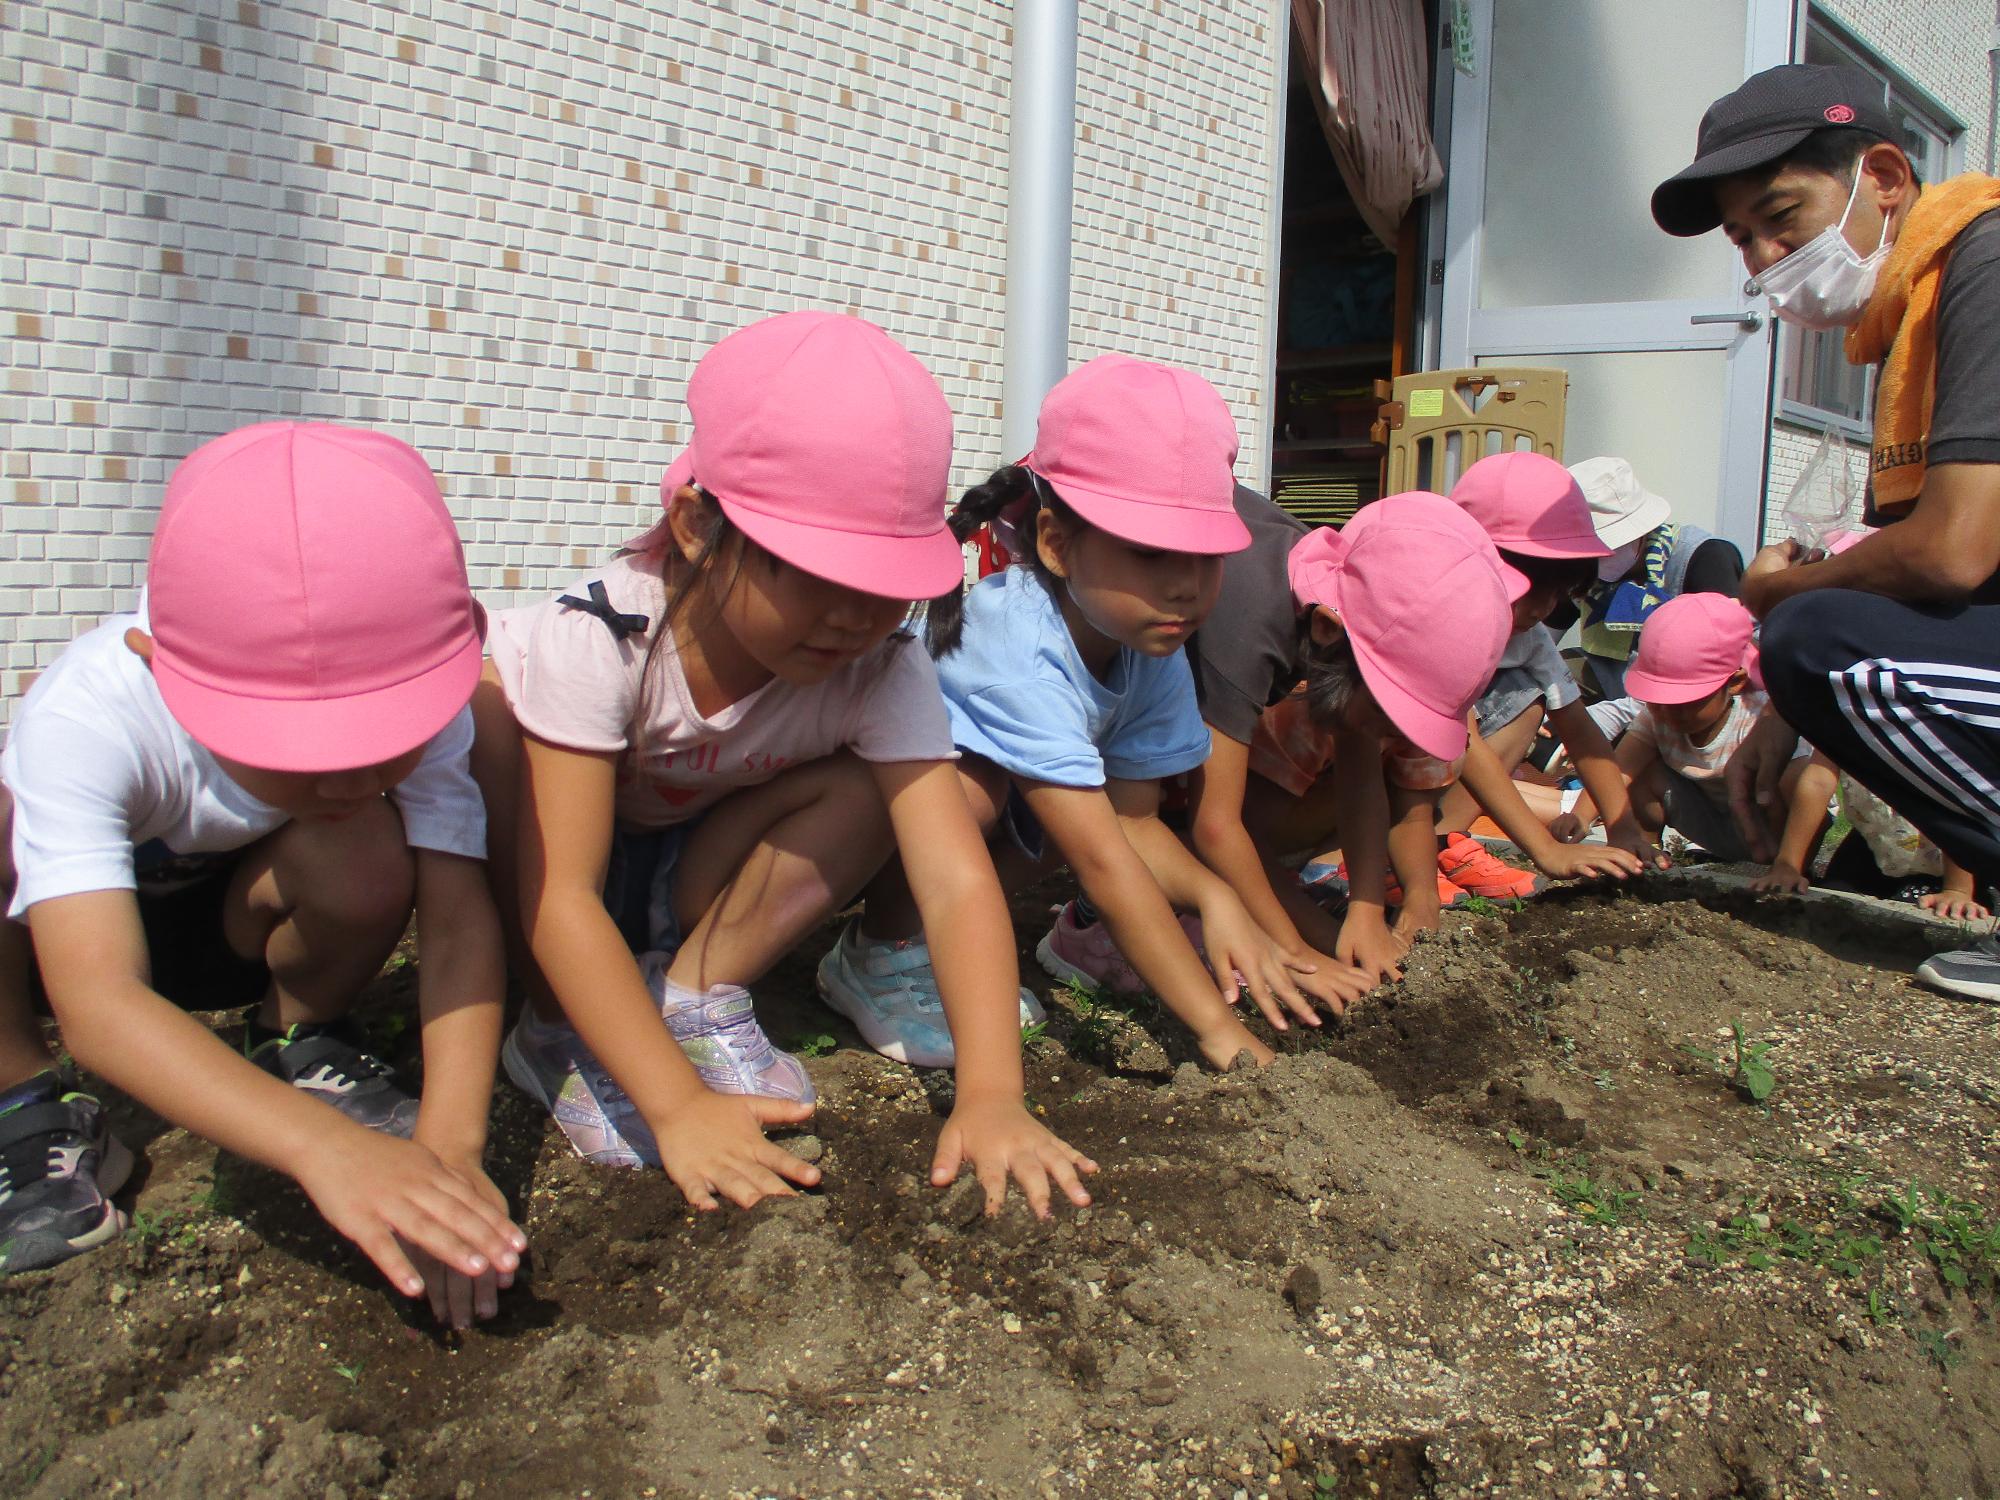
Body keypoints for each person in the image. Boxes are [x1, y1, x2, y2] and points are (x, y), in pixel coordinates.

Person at [476, 312, 1093, 1219]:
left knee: (870, 792)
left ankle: (690, 991)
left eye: (885, 587)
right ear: (695, 526)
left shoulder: (883, 665)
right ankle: (555, 1030)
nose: (853, 617)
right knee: (488, 717)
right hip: (541, 866)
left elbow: (955, 882)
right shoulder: (598, 639)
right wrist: (680, 1107)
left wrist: (993, 1092)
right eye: (813, 573)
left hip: (683, 861)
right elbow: (557, 893)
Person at [0, 423, 526, 1328]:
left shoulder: (429, 707)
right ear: (160, 668)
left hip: (240, 925)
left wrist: (449, 1148)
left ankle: (301, 1038)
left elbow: (455, 918)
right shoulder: (87, 714)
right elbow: (98, 1000)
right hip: (72, 945)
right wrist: (324, 1151)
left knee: (363, 841)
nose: (347, 775)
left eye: (379, 738)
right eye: (293, 746)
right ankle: (24, 1100)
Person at [827, 355, 1318, 1067]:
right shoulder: (1017, 641)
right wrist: (1218, 1030)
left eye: (1207, 558)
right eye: (1152, 554)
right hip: (844, 822)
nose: (1186, 587)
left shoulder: (1148, 642)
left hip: (937, 841)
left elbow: (1134, 822)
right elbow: (1103, 862)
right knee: (974, 795)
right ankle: (880, 953)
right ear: (1057, 545)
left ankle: (933, 947)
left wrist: (1215, 897)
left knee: (1068, 805)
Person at [1653, 62, 2000, 999]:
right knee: (1814, 648)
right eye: (1743, 238)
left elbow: (1953, 555)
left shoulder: (1985, 263)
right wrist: (1799, 707)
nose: (1764, 258)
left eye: (1782, 217)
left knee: (1811, 632)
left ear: (1882, 178)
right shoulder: (1903, 318)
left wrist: (1769, 602)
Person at [1246, 492, 1516, 972]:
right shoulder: (1276, 668)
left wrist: (1400, 905)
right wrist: (1325, 944)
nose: (1398, 730)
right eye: (1396, 709)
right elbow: (1225, 832)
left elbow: (1380, 790)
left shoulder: (1358, 686)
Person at [1436, 452, 1663, 899]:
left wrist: (1622, 826)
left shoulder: (1530, 638)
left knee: (1528, 697)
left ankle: (1440, 841)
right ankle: (1393, 853)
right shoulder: (1440, 620)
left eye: (1557, 595)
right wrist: (1546, 850)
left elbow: (1579, 730)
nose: (1542, 609)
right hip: (1383, 762)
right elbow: (1462, 736)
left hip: (1445, 757)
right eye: (1530, 593)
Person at [1567, 594, 1819, 872]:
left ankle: (1788, 866)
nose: (1666, 712)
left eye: (1683, 703)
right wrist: (1580, 816)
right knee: (1643, 774)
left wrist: (1789, 863)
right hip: (1714, 822)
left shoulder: (1756, 721)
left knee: (1790, 777)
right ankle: (1648, 853)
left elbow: (1808, 789)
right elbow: (1618, 770)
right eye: (1657, 699)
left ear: (1734, 682)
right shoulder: (1657, 717)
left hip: (1776, 827)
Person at [1559, 456, 1745, 706]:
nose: (1598, 558)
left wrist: (1608, 719)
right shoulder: (1579, 571)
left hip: (1685, 699)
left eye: (1608, 545)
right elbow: (1541, 640)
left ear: (1641, 531)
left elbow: (1729, 660)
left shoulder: (1704, 557)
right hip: (1609, 682)